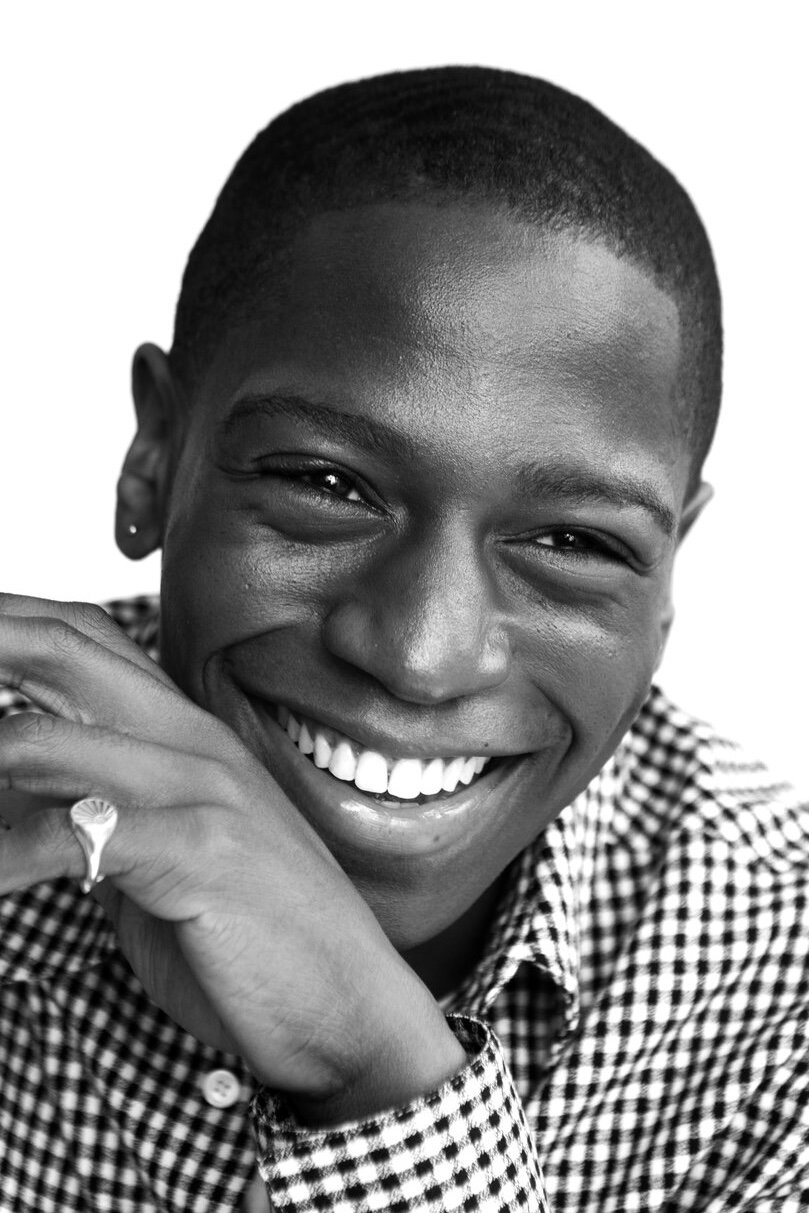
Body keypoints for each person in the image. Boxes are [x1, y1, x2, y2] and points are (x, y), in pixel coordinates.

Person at [0, 65, 806, 1213]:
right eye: (326, 483)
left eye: (572, 540)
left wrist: (373, 1066)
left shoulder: (779, 1007)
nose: (421, 656)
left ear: (671, 564)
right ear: (155, 457)